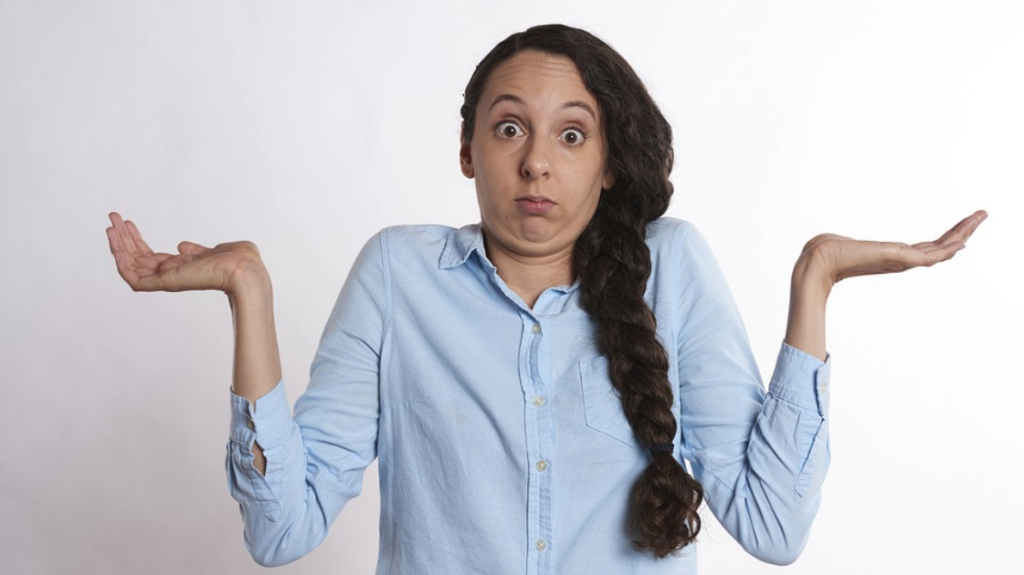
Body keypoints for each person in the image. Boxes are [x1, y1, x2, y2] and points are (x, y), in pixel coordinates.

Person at [106, 24, 985, 574]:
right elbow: (280, 531)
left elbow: (772, 525)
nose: (537, 161)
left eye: (572, 134)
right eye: (509, 127)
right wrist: (247, 294)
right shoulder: (396, 275)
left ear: (607, 162)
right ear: (467, 151)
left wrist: (815, 282)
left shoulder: (670, 267)